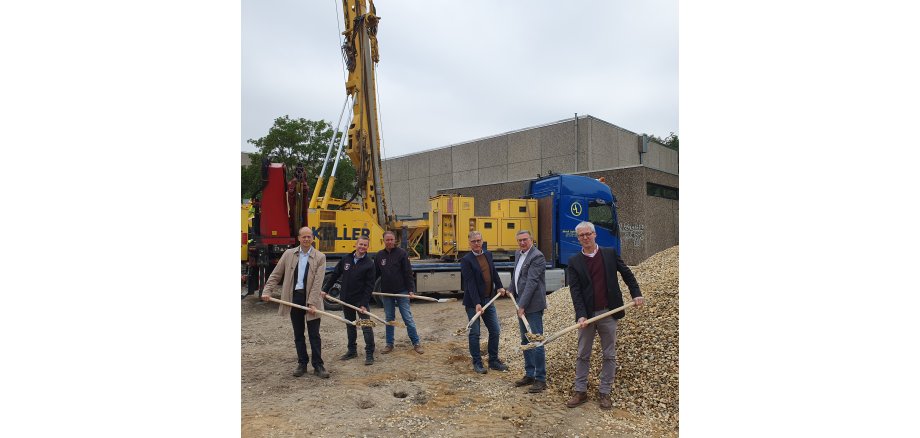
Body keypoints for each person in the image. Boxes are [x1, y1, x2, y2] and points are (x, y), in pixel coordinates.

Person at [565, 221, 644, 410]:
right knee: (583, 354)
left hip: (609, 312)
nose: (585, 238)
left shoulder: (609, 254)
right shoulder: (574, 261)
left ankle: (604, 392)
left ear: (594, 234)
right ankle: (580, 391)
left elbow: (627, 275)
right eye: (581, 235)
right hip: (588, 316)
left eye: (588, 234)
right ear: (578, 239)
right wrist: (581, 315)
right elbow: (575, 291)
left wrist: (636, 294)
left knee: (609, 354)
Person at [262, 227, 330, 379]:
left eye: (309, 236)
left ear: (313, 238)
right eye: (303, 237)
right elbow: (276, 274)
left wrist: (312, 303)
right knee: (298, 333)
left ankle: (318, 365)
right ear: (299, 238)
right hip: (294, 299)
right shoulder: (288, 254)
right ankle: (302, 363)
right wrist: (267, 291)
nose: (306, 239)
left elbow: (318, 283)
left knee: (314, 334)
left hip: (311, 299)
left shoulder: (320, 257)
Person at [323, 235, 377, 365]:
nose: (362, 247)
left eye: (365, 245)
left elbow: (370, 286)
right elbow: (335, 275)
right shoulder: (346, 259)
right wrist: (325, 289)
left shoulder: (369, 263)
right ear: (356, 244)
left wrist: (364, 303)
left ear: (367, 247)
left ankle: (370, 353)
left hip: (360, 301)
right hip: (346, 299)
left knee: (366, 326)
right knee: (350, 325)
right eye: (360, 244)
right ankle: (352, 351)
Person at [460, 230, 509, 374]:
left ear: (482, 241)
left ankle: (493, 361)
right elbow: (470, 283)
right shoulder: (466, 260)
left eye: (478, 240)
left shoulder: (488, 254)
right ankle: (477, 363)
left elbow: (493, 272)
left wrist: (499, 286)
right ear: (469, 243)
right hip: (473, 303)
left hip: (489, 300)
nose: (476, 243)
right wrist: (477, 303)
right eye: (473, 241)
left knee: (495, 330)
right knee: (475, 333)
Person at [506, 230, 547, 393]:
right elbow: (517, 275)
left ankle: (540, 378)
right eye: (519, 240)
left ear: (532, 240)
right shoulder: (519, 254)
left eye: (525, 240)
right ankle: (530, 374)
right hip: (521, 305)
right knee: (525, 341)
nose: (522, 243)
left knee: (536, 341)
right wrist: (510, 289)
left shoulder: (537, 256)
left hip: (533, 306)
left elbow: (531, 282)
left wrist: (522, 305)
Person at [375, 231, 423, 354]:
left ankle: (416, 343)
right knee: (389, 319)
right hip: (387, 293)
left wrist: (411, 290)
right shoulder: (379, 255)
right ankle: (389, 344)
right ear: (383, 241)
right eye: (387, 240)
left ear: (395, 240)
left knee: (407, 318)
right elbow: (374, 274)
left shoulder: (401, 253)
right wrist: (368, 288)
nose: (390, 242)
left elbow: (408, 272)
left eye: (391, 239)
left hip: (402, 291)